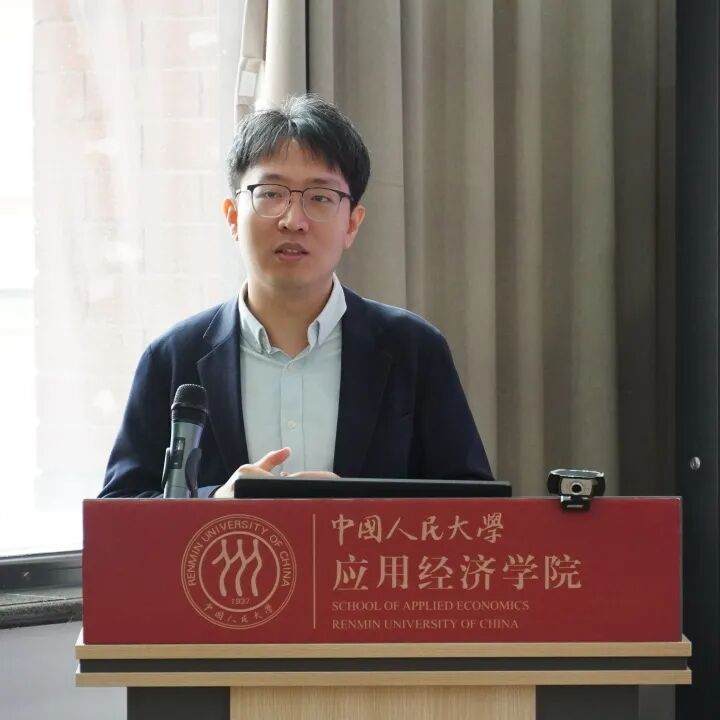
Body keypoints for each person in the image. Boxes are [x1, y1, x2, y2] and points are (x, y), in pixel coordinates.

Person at [100, 94, 492, 499]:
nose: (293, 220)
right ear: (233, 217)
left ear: (352, 224)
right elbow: (119, 510)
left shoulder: (414, 350)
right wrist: (216, 503)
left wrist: (359, 511)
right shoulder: (172, 358)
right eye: (271, 193)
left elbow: (474, 507)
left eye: (320, 197)